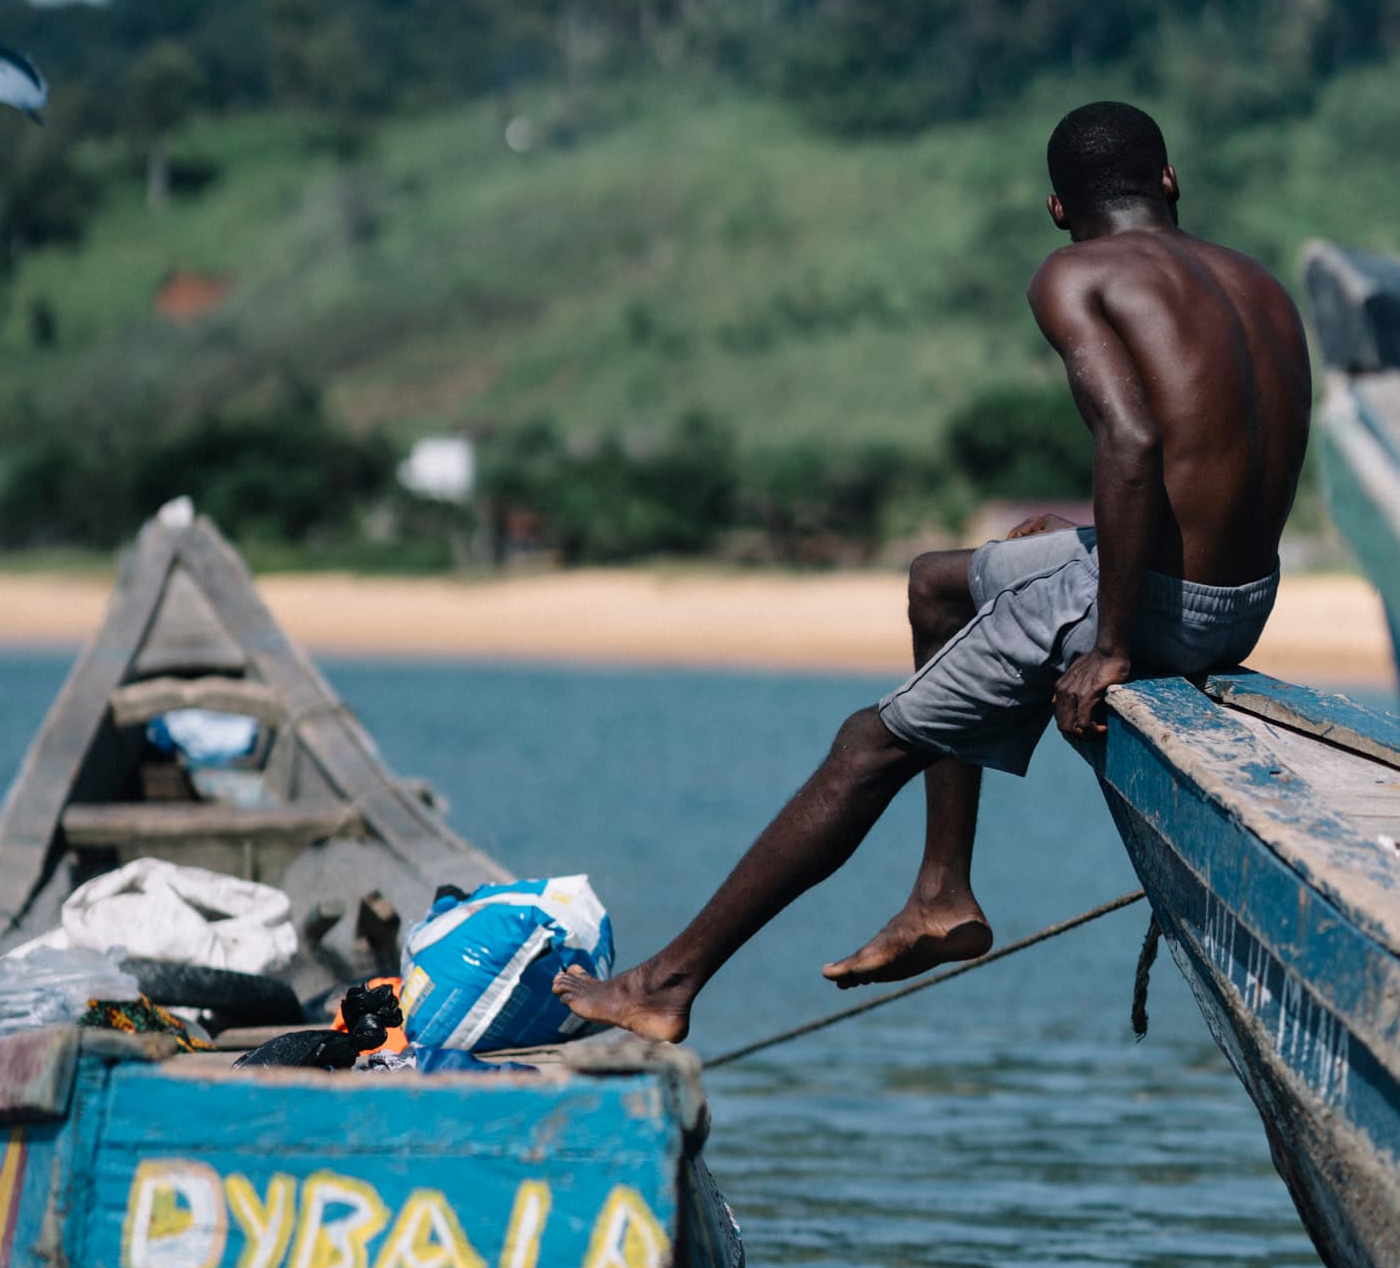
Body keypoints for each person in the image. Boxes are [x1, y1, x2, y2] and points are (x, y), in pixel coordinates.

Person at [553, 100, 1312, 1044]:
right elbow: (1223, 459)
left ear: (1054, 208)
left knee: (865, 745)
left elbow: (1133, 440)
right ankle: (940, 890)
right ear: (1169, 181)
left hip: (1157, 610)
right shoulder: (1257, 282)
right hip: (1246, 599)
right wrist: (1072, 548)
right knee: (937, 581)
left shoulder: (1075, 273)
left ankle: (665, 983)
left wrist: (1113, 641)